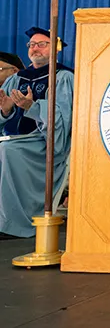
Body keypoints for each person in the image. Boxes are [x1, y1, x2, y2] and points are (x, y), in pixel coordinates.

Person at [0, 27, 74, 238]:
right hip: (13, 139)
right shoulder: (17, 79)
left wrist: (32, 107)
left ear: (55, 49)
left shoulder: (63, 77)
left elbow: (63, 119)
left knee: (7, 151)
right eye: (32, 45)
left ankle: (13, 223)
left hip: (41, 144)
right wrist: (5, 111)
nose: (35, 48)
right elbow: (4, 117)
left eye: (42, 44)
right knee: (6, 147)